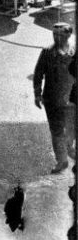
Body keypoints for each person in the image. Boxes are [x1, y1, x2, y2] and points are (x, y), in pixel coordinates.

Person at [33, 22, 76, 173]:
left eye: (60, 35)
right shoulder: (47, 53)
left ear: (69, 35)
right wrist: (37, 94)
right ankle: (62, 160)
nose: (56, 38)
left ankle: (70, 150)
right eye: (54, 34)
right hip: (52, 100)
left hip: (72, 99)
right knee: (56, 131)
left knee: (72, 128)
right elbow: (38, 74)